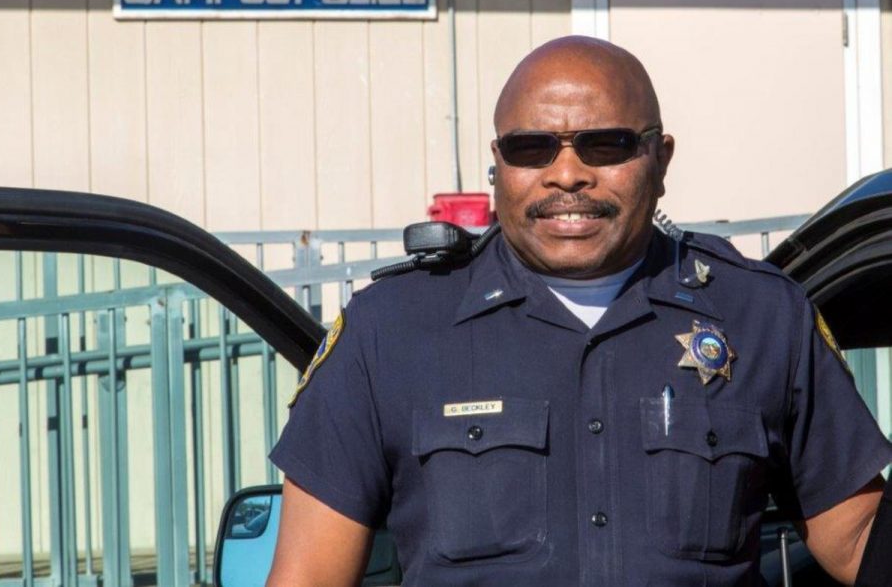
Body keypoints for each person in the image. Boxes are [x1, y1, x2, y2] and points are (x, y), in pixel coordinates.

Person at [267, 36, 892, 586]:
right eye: (531, 149)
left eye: (604, 145)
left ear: (661, 159)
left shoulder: (761, 316)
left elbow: (860, 539)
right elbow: (309, 573)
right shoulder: (392, 331)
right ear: (498, 164)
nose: (567, 175)